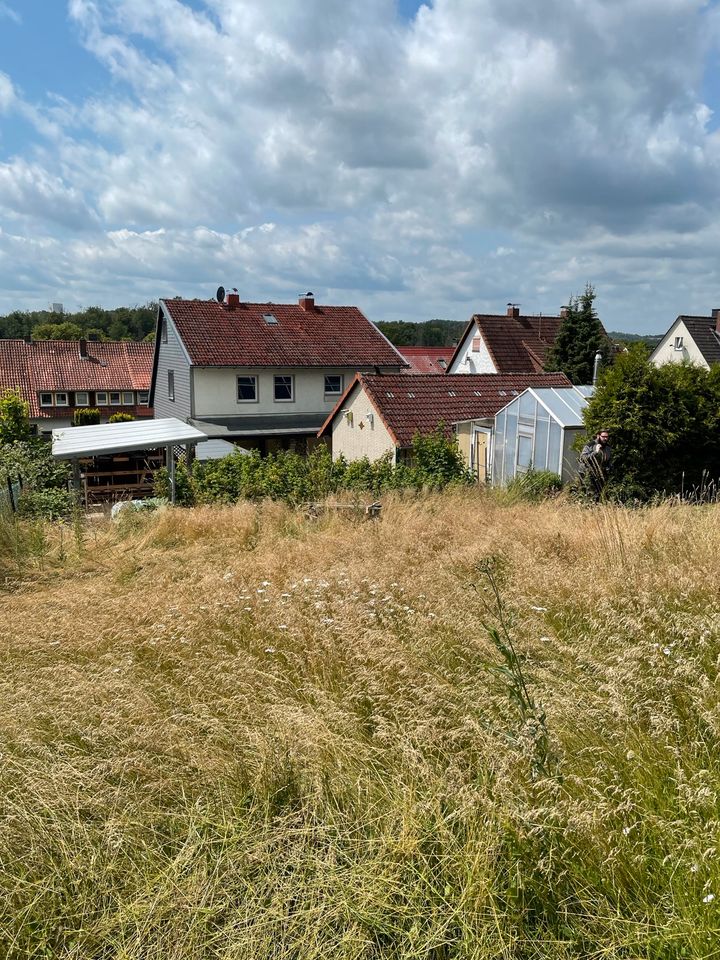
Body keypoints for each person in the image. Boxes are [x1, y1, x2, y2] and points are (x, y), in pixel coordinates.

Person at [578, 429, 612, 500]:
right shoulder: (590, 445)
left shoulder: (608, 447)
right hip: (587, 472)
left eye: (607, 437)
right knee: (589, 494)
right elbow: (583, 458)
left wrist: (608, 468)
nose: (605, 438)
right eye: (603, 436)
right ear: (598, 436)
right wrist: (596, 452)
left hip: (600, 473)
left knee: (600, 494)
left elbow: (608, 460)